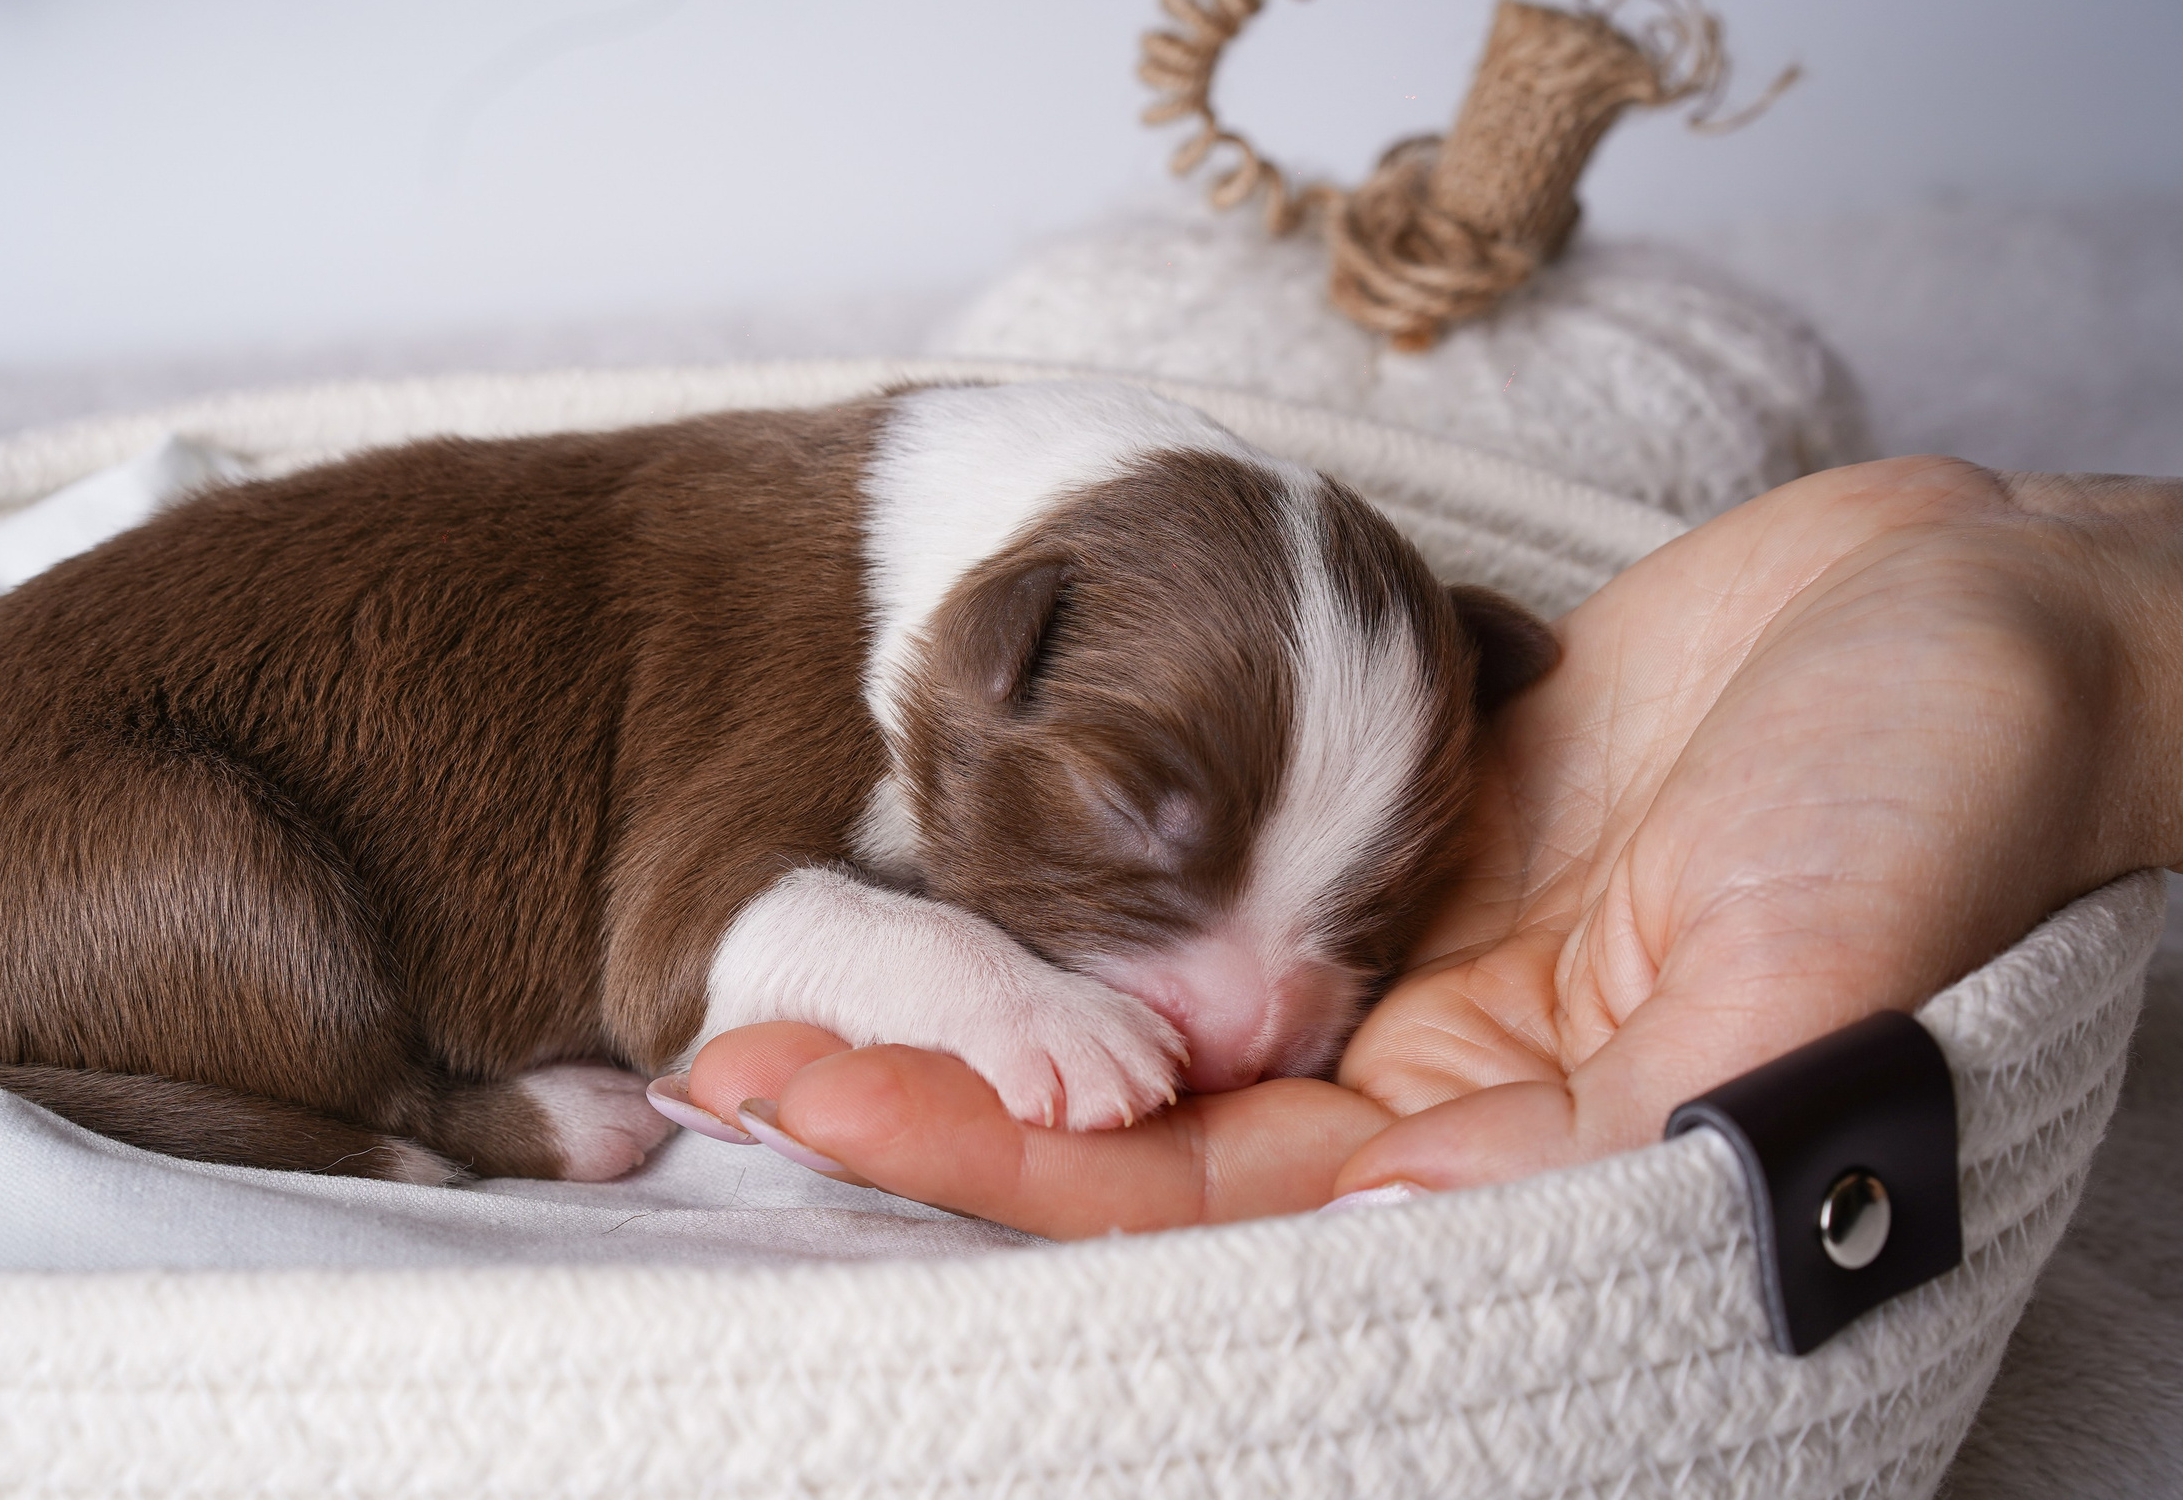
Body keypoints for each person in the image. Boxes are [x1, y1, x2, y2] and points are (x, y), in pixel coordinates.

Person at [668, 456, 2183, 1239]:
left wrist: (2087, 628)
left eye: (1372, 901)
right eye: (1144, 821)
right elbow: (693, 926)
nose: (1252, 1030)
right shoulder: (821, 641)